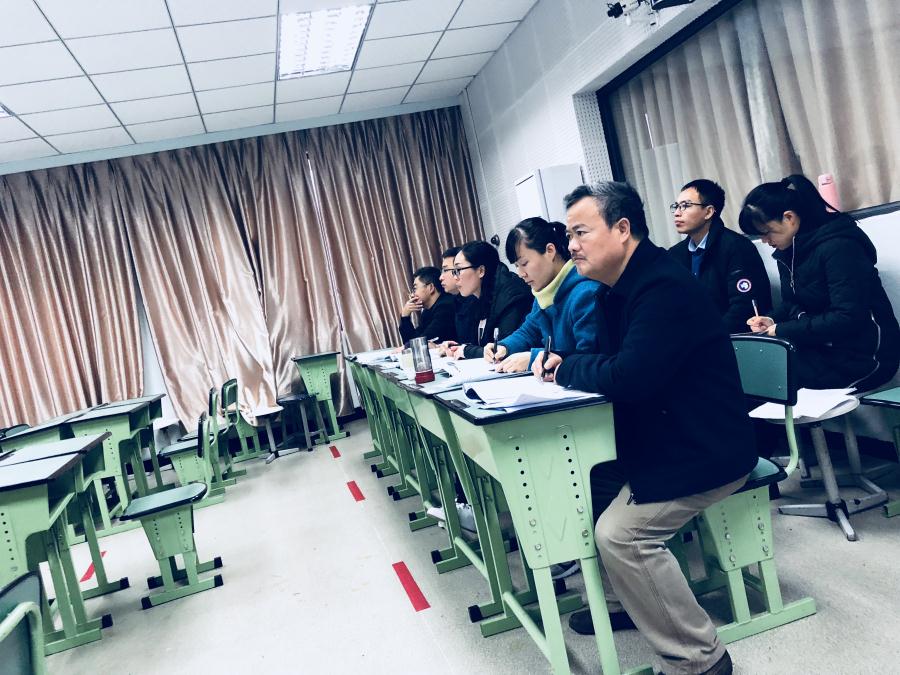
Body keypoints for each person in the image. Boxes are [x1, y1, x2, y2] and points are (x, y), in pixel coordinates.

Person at [534, 181, 757, 675]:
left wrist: (567, 368)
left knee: (622, 536)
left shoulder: (662, 288)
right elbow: (613, 361)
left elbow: (628, 377)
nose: (572, 245)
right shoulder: (617, 289)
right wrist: (568, 359)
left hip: (705, 446)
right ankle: (626, 603)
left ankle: (698, 658)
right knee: (587, 484)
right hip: (663, 435)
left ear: (622, 229)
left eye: (580, 232)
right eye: (569, 234)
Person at [741, 175, 900, 390]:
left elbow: (847, 317)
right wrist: (771, 320)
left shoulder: (839, 247)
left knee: (776, 381)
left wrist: (781, 330)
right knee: (757, 372)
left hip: (866, 354)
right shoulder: (788, 252)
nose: (764, 241)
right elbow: (792, 303)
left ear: (789, 217)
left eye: (766, 232)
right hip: (823, 347)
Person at [484, 217, 602, 374]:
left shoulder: (585, 294)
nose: (521, 273)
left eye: (524, 263)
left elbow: (589, 357)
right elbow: (528, 331)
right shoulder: (544, 293)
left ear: (550, 251)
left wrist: (534, 358)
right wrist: (504, 347)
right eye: (517, 266)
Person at [668, 179, 772, 333]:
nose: (677, 213)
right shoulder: (675, 254)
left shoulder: (736, 247)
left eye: (686, 206)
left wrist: (706, 337)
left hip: (731, 338)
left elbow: (744, 308)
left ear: (708, 212)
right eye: (676, 206)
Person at [450, 240, 532, 360]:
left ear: (481, 271)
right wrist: (456, 347)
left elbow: (502, 349)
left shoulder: (512, 294)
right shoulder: (473, 298)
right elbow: (473, 343)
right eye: (453, 272)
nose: (455, 278)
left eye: (458, 270)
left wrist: (468, 351)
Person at [397, 266, 456, 344]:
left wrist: (405, 317)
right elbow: (412, 341)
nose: (412, 295)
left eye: (415, 288)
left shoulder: (446, 307)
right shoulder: (427, 311)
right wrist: (405, 317)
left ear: (431, 288)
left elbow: (423, 342)